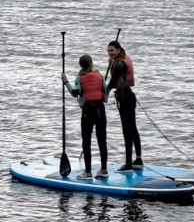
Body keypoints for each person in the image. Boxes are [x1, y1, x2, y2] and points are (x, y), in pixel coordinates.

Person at [61, 54, 109, 179]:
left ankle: (88, 172)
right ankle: (104, 170)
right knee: (102, 140)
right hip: (100, 110)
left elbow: (74, 92)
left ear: (81, 65)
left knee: (86, 141)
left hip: (88, 111)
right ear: (91, 63)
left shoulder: (79, 78)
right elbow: (105, 90)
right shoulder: (100, 75)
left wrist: (66, 82)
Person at [105, 40, 142, 172]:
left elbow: (112, 81)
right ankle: (138, 160)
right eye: (108, 51)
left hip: (125, 98)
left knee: (128, 130)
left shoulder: (120, 64)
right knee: (132, 128)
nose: (110, 53)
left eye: (112, 50)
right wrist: (111, 64)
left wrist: (104, 93)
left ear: (119, 50)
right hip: (127, 96)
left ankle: (128, 163)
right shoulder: (122, 60)